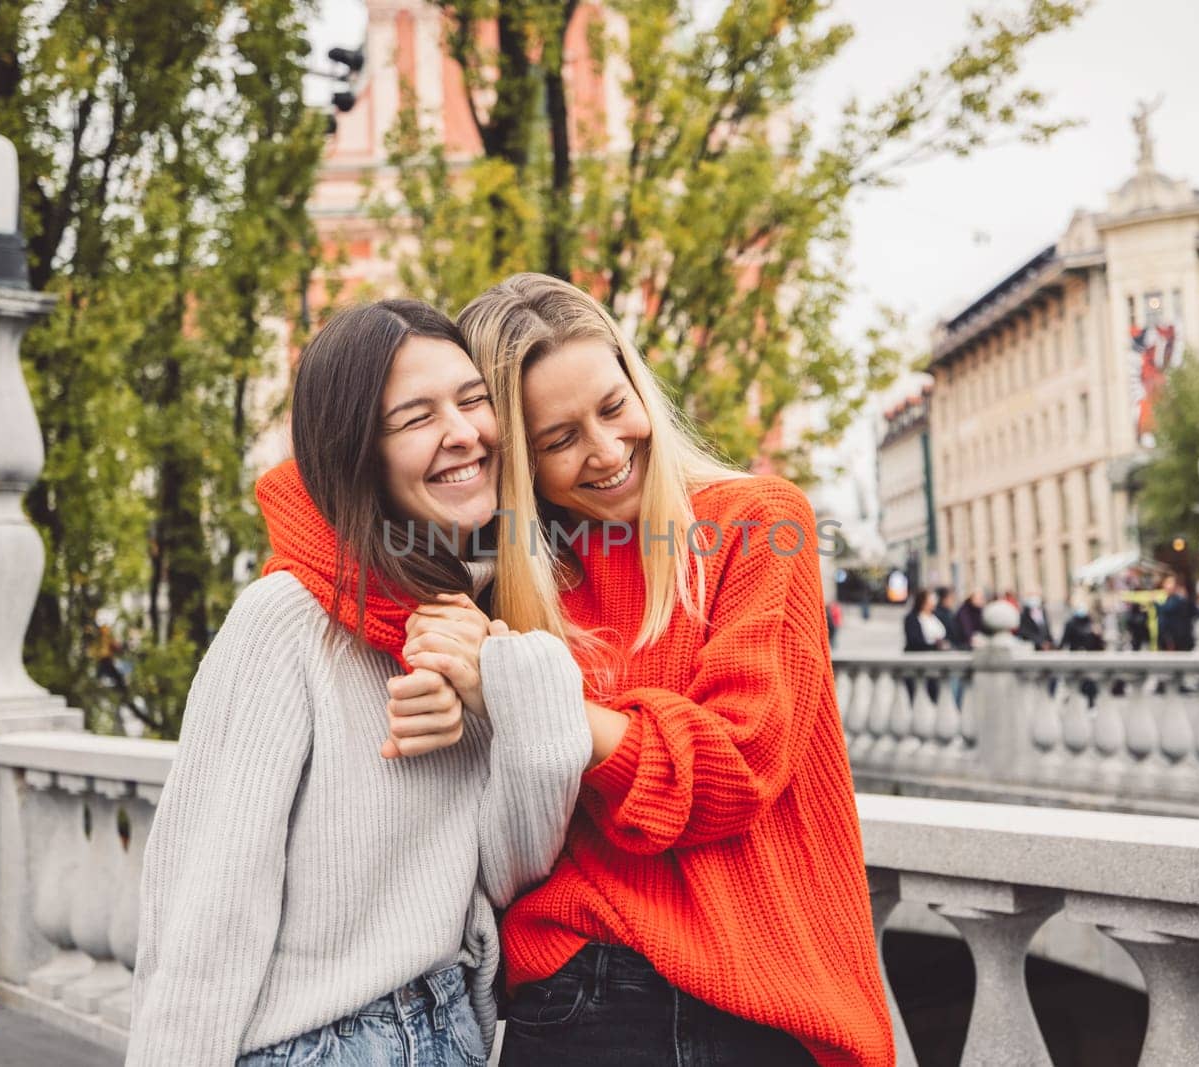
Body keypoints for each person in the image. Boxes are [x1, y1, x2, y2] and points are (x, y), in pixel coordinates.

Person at [127, 301, 594, 1067]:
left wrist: (505, 682)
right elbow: (205, 911)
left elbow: (511, 868)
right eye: (416, 417)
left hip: (452, 1031)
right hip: (314, 1043)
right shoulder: (287, 620)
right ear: (358, 453)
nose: (463, 432)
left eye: (473, 400)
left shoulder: (471, 621)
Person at [457, 274, 893, 1067]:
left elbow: (736, 765)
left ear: (637, 382)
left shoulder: (758, 522)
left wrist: (542, 700)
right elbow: (316, 509)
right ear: (517, 460)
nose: (608, 450)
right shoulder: (513, 574)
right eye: (559, 439)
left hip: (761, 1006)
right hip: (581, 991)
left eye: (614, 405)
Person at [1158, 574, 1196, 652]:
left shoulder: (1178, 600)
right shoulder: (1166, 600)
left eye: (1171, 583)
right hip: (1169, 640)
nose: (1169, 586)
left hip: (1178, 641)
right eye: (1167, 583)